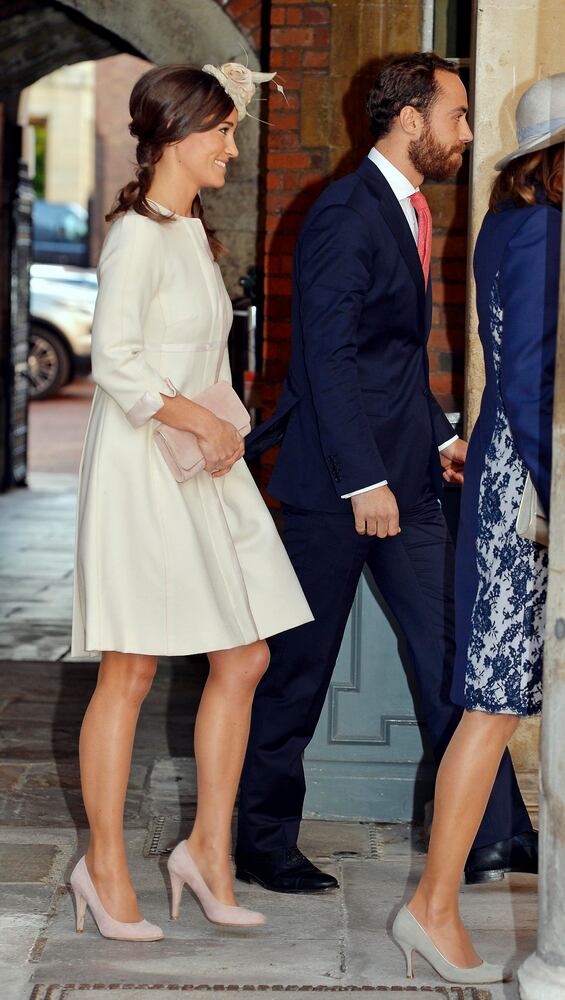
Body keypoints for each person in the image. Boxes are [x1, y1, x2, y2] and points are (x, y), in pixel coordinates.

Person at [235, 52, 537, 896]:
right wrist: (361, 479)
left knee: (453, 654)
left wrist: (439, 436)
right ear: (410, 119)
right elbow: (326, 360)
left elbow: (388, 360)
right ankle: (260, 842)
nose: (466, 133)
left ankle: (493, 834)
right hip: (336, 488)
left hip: (406, 477)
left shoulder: (405, 208)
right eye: (456, 115)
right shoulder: (344, 212)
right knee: (297, 671)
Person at [69, 63, 312, 942]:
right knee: (129, 668)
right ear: (177, 134)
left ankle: (207, 850)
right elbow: (117, 361)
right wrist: (199, 423)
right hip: (143, 465)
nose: (232, 149)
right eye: (222, 131)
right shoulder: (136, 235)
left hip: (202, 462)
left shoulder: (190, 232)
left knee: (244, 656)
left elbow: (202, 360)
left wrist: (220, 430)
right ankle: (102, 866)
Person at [394, 74, 563, 984]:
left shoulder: (512, 221)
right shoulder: (539, 231)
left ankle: (432, 904)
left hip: (516, 468)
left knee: (494, 706)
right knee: (492, 706)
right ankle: (430, 906)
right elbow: (533, 380)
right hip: (527, 487)